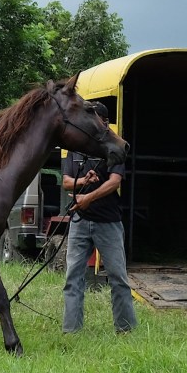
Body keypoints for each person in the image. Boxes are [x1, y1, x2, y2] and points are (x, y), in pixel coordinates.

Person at [62, 101, 137, 334]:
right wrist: (84, 182)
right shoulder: (75, 151)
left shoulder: (113, 149)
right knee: (73, 278)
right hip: (80, 223)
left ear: (103, 122)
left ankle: (125, 330)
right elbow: (66, 182)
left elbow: (114, 182)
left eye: (97, 119)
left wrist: (88, 198)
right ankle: (71, 332)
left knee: (118, 277)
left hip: (108, 223)